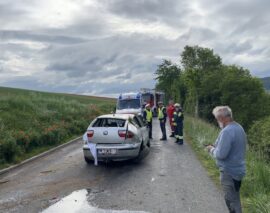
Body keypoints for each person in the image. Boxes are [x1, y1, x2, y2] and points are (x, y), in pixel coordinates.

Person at [206, 106, 247, 213]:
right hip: (238, 170)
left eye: (217, 118)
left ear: (222, 118)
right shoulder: (239, 127)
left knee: (231, 201)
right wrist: (215, 146)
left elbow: (220, 154)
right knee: (235, 198)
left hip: (229, 172)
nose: (217, 121)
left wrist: (211, 149)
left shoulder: (227, 131)